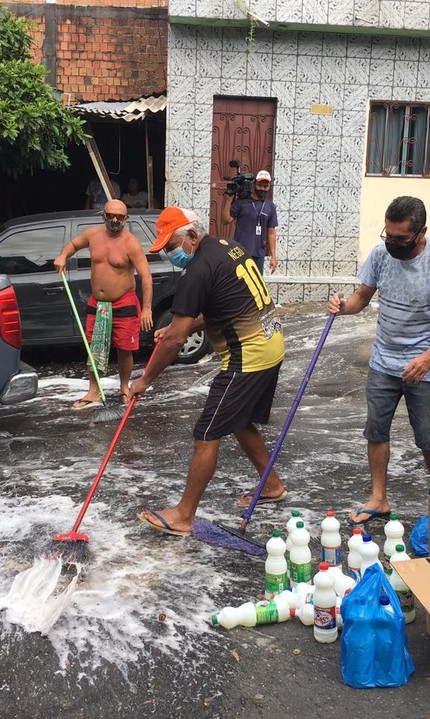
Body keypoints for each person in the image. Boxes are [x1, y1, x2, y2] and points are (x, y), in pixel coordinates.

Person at [130, 207, 286, 536]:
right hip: (270, 345)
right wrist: (179, 326)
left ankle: (184, 515)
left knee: (206, 433)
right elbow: (223, 307)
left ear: (190, 236)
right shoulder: (228, 247)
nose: (171, 254)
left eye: (171, 245)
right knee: (240, 421)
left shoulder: (198, 269)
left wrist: (144, 380)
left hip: (248, 357)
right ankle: (271, 484)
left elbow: (174, 341)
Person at [328, 196, 430, 526]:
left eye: (401, 239)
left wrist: (429, 356)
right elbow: (362, 297)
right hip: (383, 361)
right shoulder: (381, 254)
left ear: (421, 233)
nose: (393, 244)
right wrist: (342, 306)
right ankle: (379, 499)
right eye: (388, 236)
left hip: (426, 366)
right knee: (376, 430)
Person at [53, 199, 153, 408]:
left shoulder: (130, 242)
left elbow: (145, 276)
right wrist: (63, 255)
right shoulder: (93, 235)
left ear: (126, 219)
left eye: (119, 217)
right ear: (103, 216)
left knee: (125, 348)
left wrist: (146, 308)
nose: (115, 220)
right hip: (98, 303)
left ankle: (124, 386)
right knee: (95, 347)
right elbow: (73, 245)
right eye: (110, 215)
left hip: (124, 301)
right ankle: (93, 391)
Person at [220, 169, 278, 274]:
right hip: (239, 252)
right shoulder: (241, 203)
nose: (263, 189)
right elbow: (225, 220)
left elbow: (271, 232)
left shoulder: (270, 206)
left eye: (266, 186)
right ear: (255, 184)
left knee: (255, 285)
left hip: (258, 254)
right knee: (238, 283)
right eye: (260, 185)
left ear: (269, 187)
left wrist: (273, 257)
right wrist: (228, 200)